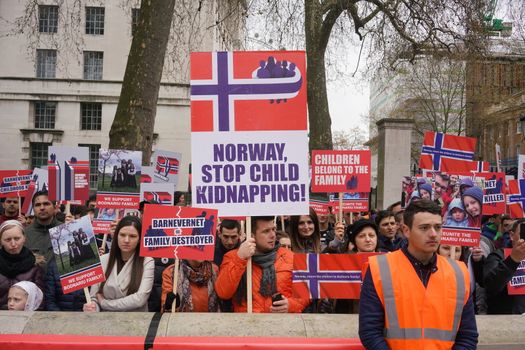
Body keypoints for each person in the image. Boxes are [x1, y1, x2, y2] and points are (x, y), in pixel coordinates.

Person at [359, 199, 478, 349]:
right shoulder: (379, 268)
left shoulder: (459, 272)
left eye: (438, 227)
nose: (433, 234)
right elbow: (370, 332)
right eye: (424, 228)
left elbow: (467, 336)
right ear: (406, 230)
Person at [214, 216, 309, 313]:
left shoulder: (290, 257)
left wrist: (290, 305)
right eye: (266, 231)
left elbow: (307, 293)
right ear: (252, 235)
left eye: (273, 229)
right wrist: (240, 259)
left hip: (282, 324)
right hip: (246, 324)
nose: (273, 235)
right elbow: (223, 293)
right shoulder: (233, 257)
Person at [83, 216, 154, 312]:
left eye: (132, 236)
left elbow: (140, 299)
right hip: (105, 323)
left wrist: (105, 304)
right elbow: (95, 297)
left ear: (140, 239)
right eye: (122, 235)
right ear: (116, 236)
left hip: (136, 322)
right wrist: (93, 307)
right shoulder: (103, 260)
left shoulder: (147, 261)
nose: (126, 240)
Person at [483, 219, 525, 314]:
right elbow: (490, 286)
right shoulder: (498, 255)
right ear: (512, 235)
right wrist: (512, 260)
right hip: (506, 321)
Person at [0, 220, 44, 309]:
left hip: (26, 319)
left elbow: (39, 300)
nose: (13, 244)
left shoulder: (35, 266)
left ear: (24, 238)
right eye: (8, 239)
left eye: (17, 238)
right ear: (1, 241)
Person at [24, 191, 62, 272]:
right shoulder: (24, 234)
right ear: (33, 209)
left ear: (55, 207)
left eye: (46, 204)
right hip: (33, 282)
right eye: (37, 205)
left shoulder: (66, 230)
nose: (42, 208)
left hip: (57, 283)